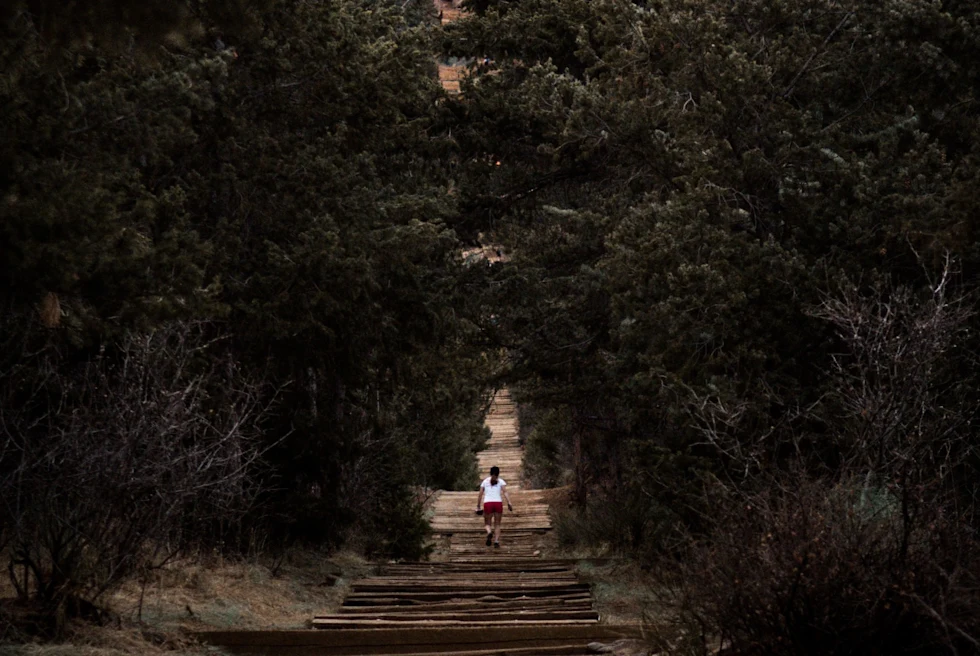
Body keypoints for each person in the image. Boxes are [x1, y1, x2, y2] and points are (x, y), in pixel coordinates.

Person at [476, 466, 512, 548]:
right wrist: (509, 502)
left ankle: (489, 532)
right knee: (497, 524)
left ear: (490, 473)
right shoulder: (501, 481)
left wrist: (478, 505)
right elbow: (505, 492)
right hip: (498, 503)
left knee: (487, 523)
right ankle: (496, 541)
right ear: (498, 473)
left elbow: (480, 495)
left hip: (488, 503)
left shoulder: (485, 481)